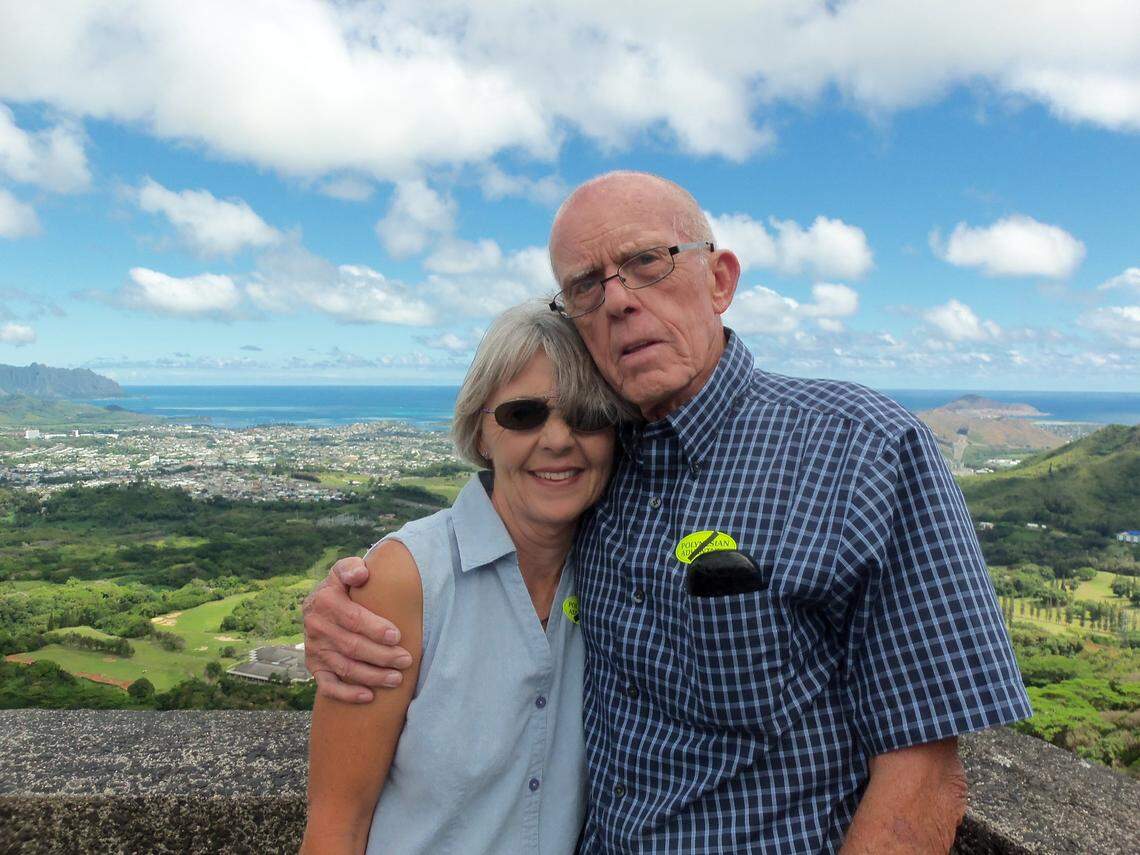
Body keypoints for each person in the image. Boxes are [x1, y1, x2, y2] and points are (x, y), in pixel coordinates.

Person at [303, 171, 1031, 853]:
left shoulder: (860, 451)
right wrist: (351, 601)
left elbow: (926, 772)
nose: (619, 299)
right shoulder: (599, 475)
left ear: (720, 280)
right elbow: (483, 551)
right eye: (586, 285)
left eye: (648, 261)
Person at [301, 301, 631, 854]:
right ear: (481, 432)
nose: (557, 439)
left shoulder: (619, 568)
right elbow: (338, 823)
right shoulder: (408, 580)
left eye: (587, 414)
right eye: (523, 415)